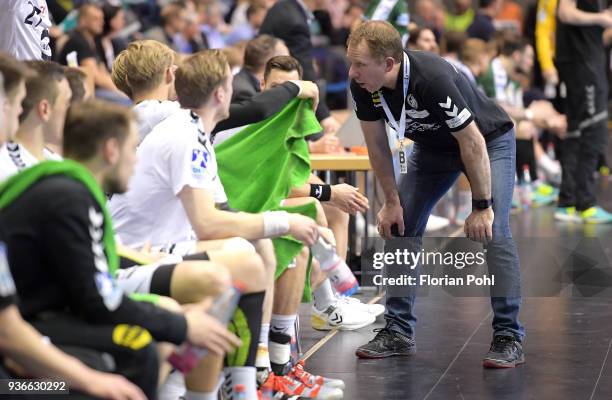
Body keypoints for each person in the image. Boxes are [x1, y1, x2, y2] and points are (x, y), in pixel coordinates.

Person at [0, 100, 242, 398]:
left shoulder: (71, 189)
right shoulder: (68, 197)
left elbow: (92, 287)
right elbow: (99, 300)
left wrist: (173, 320)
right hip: (28, 332)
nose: (137, 161)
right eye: (133, 149)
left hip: (44, 314)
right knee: (136, 344)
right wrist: (180, 325)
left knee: (157, 324)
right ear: (111, 150)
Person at [347, 21, 525, 368]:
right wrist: (391, 202)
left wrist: (481, 206)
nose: (352, 72)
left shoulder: (432, 78)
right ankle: (398, 330)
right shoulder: (364, 84)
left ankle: (509, 335)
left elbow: (471, 142)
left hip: (488, 142)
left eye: (360, 64)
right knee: (399, 226)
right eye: (350, 62)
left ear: (388, 63)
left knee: (496, 232)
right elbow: (377, 147)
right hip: (433, 149)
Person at [554, 0, 612, 223]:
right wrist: (601, 18)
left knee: (577, 131)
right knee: (593, 129)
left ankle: (568, 202)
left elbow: (597, 36)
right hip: (582, 64)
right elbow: (565, 13)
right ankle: (584, 203)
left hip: (590, 60)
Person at [260, 0, 341, 135]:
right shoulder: (295, 22)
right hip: (274, 109)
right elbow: (305, 71)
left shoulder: (283, 6)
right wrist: (325, 117)